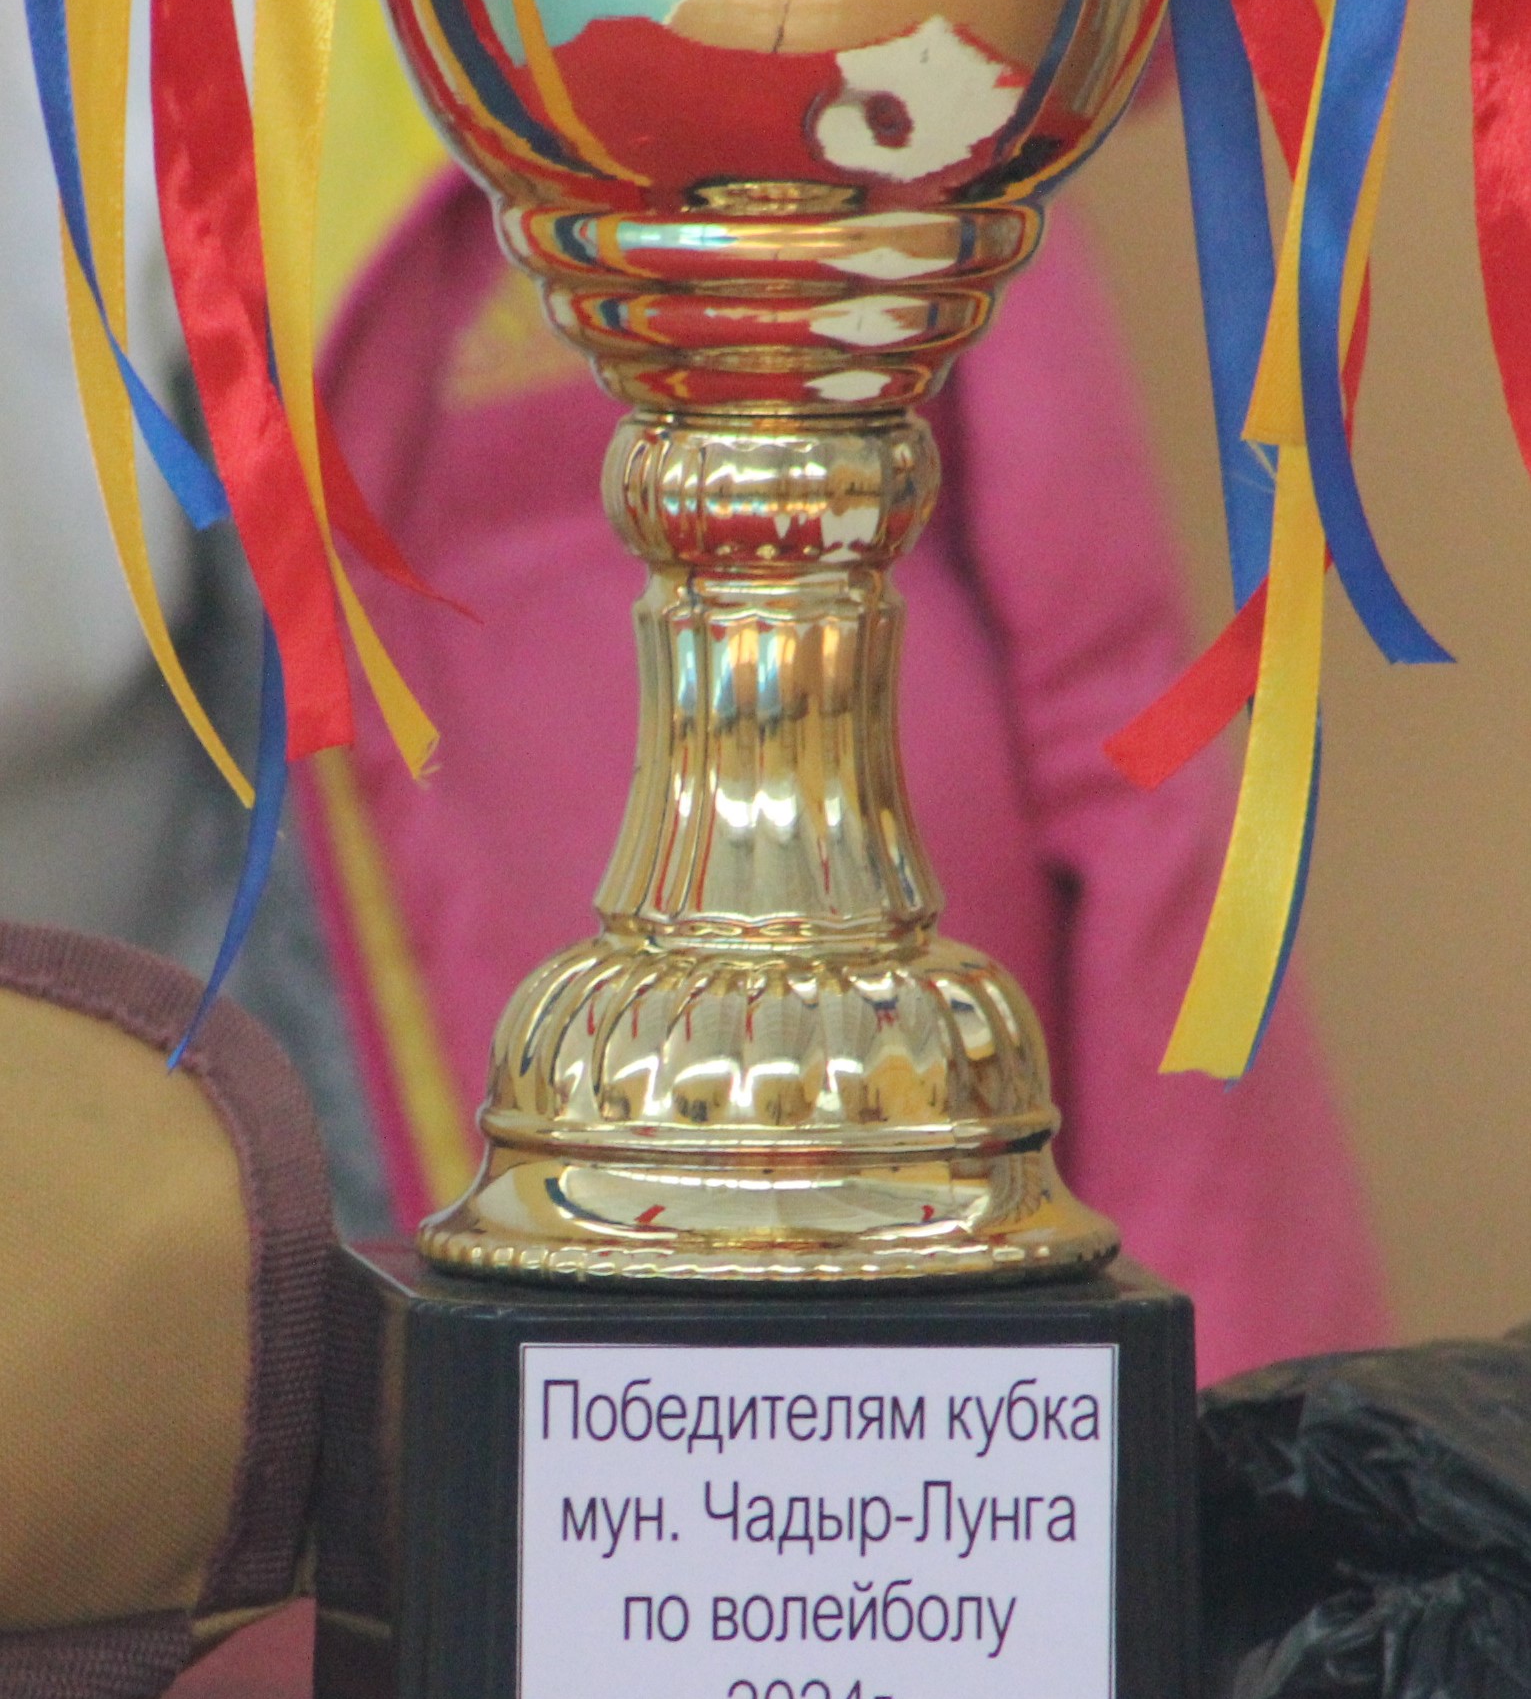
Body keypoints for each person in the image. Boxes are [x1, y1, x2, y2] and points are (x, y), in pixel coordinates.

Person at [305, 166, 1388, 1384]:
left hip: (884, 1160)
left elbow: (1112, 705)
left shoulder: (858, 87)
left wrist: (1221, 1403)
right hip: (337, 1107)